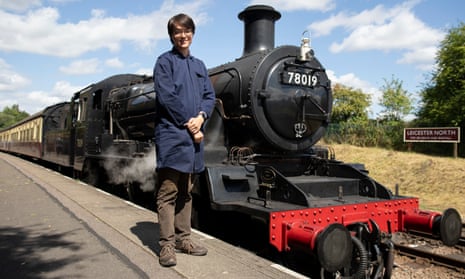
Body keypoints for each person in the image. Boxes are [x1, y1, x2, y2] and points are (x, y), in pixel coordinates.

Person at [153, 13, 215, 267]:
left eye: (187, 31)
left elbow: (209, 96)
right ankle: (166, 245)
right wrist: (190, 124)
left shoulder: (200, 65)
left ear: (192, 33)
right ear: (171, 36)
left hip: (193, 140)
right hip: (172, 135)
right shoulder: (164, 62)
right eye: (177, 32)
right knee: (168, 192)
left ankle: (184, 239)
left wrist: (201, 117)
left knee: (187, 193)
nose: (182, 35)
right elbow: (167, 98)